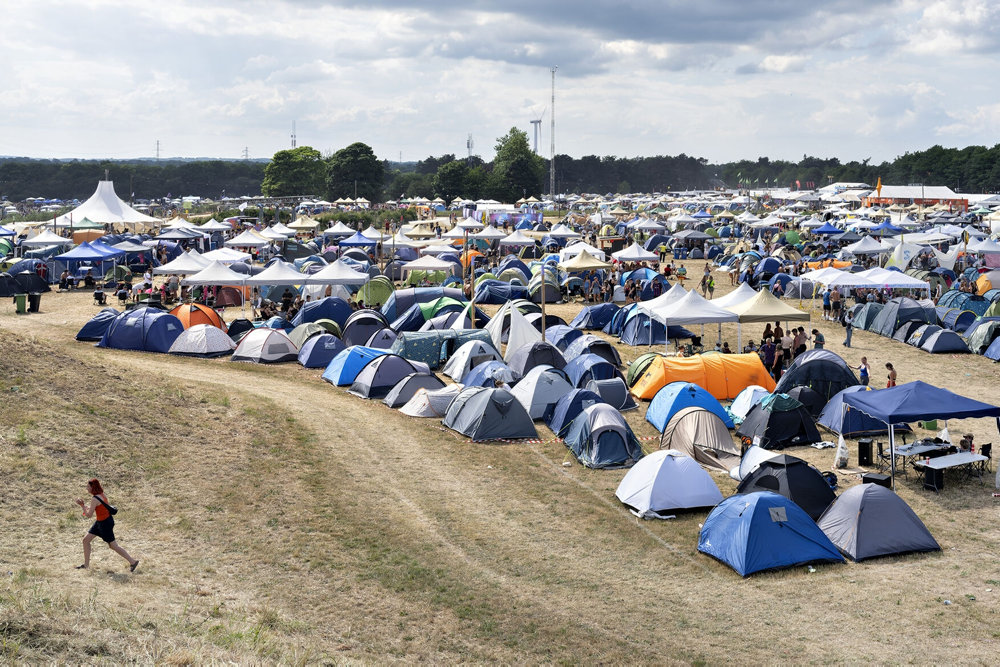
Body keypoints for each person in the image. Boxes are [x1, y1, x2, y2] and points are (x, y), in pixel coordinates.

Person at [75, 478, 138, 572]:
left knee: (113, 546)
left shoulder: (94, 499)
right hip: (102, 521)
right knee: (86, 540)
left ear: (93, 487)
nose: (86, 488)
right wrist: (88, 507)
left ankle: (133, 562)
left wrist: (82, 506)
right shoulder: (101, 495)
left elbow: (88, 515)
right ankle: (86, 565)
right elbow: (99, 508)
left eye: (88, 486)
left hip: (104, 524)